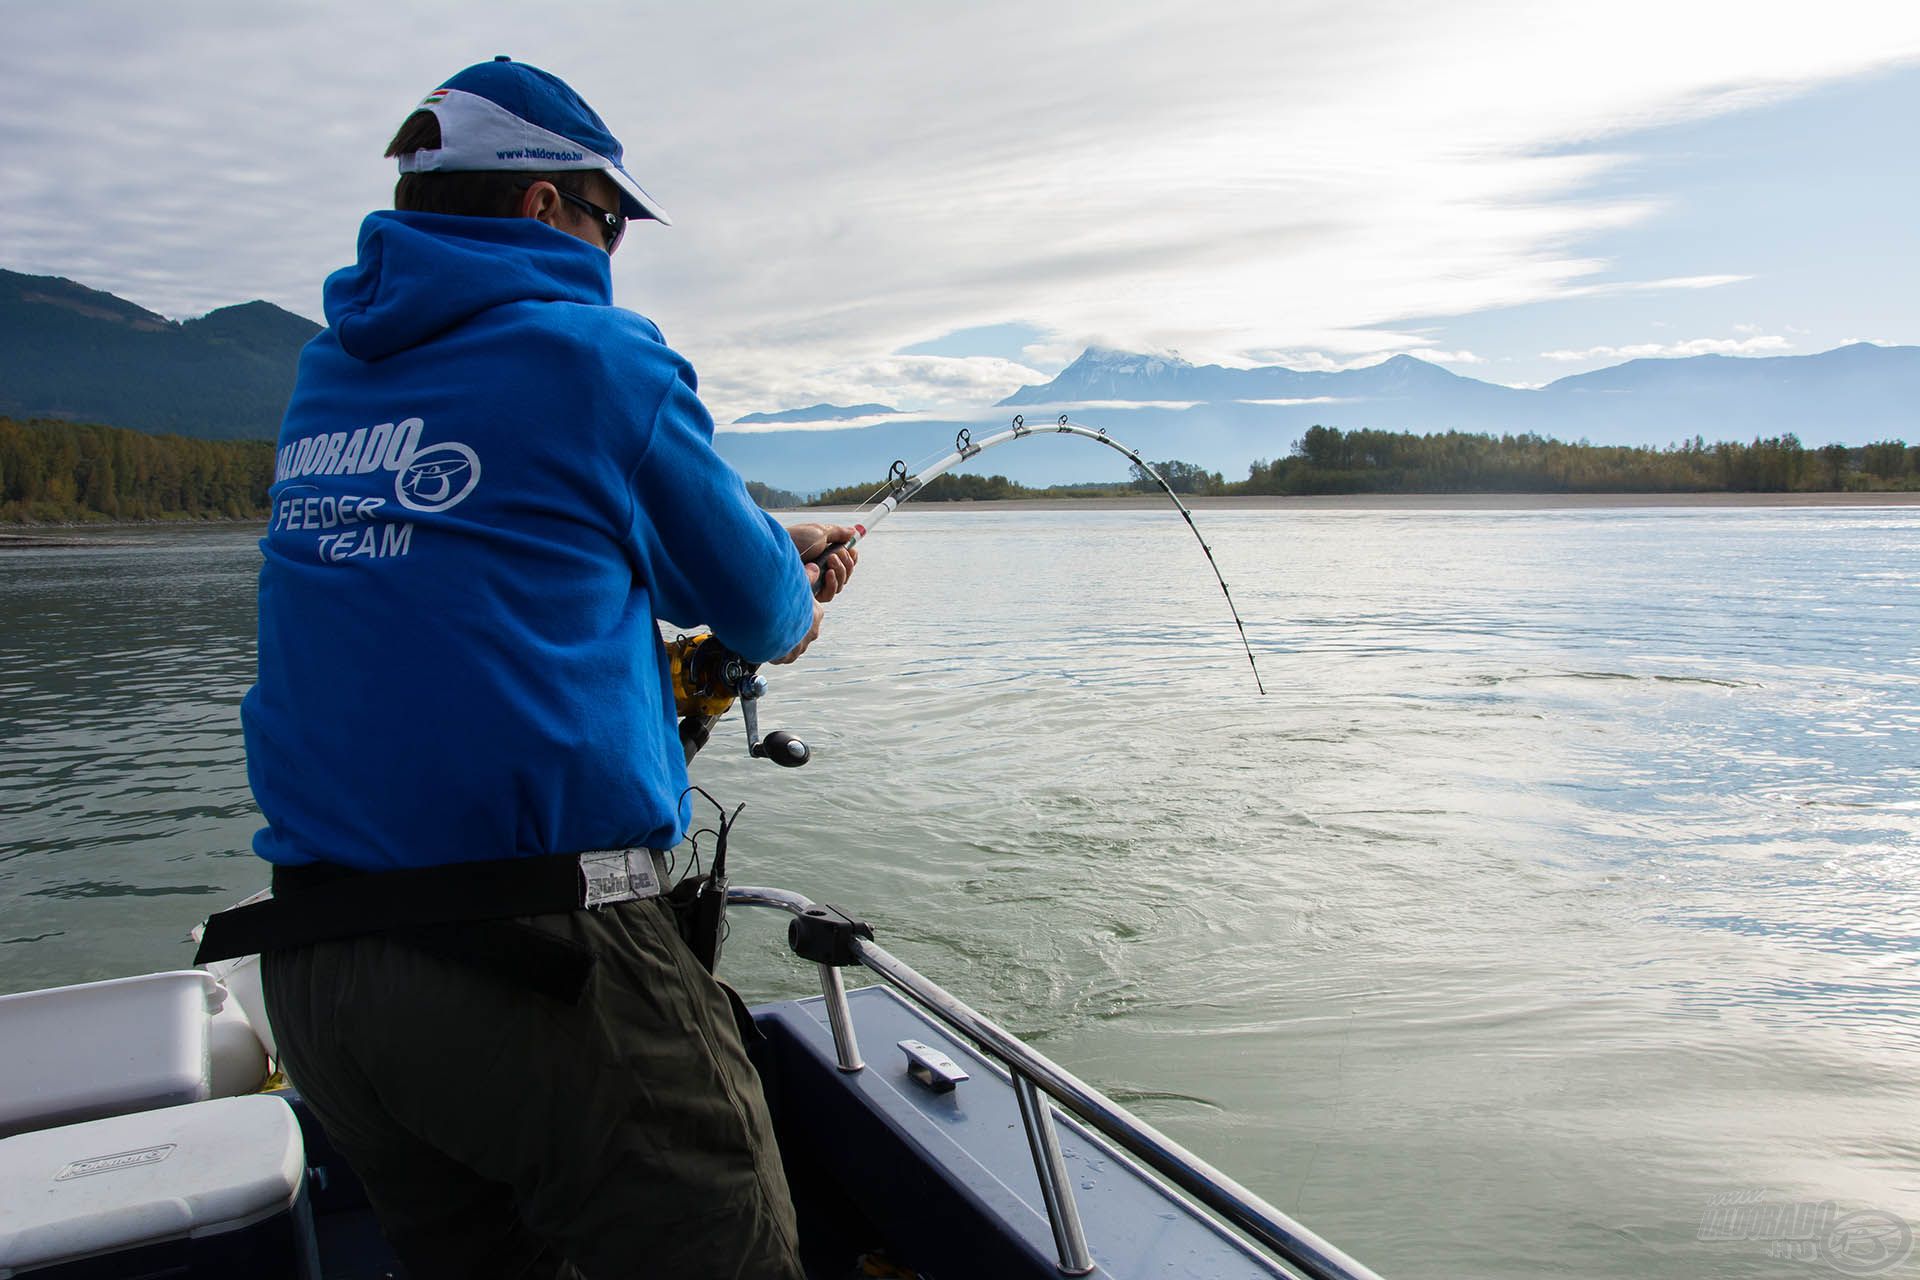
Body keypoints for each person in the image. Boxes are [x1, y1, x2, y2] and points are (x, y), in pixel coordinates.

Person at [235, 56, 852, 1279]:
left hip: (322, 975)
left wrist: (749, 540)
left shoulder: (333, 380)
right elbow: (761, 608)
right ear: (543, 207)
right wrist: (794, 573)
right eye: (609, 217)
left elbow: (523, 527)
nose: (614, 246)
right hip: (530, 967)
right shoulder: (597, 358)